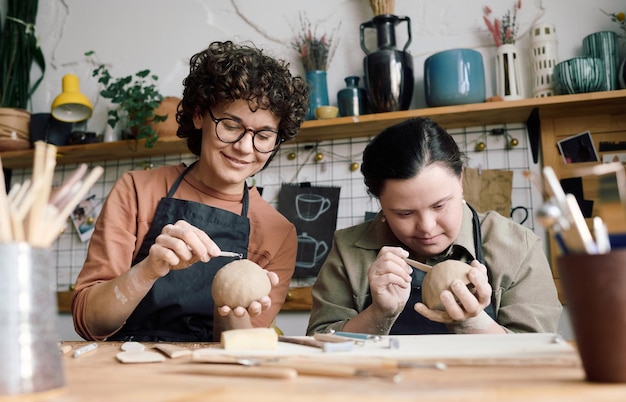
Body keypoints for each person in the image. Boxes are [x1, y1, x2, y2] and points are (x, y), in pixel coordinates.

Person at [72, 40, 309, 342]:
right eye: (231, 125)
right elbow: (90, 324)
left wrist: (233, 310)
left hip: (212, 379)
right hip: (128, 372)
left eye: (263, 135)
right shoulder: (136, 190)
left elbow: (241, 348)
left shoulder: (278, 233)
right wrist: (148, 270)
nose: (244, 147)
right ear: (199, 115)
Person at [307, 117, 562, 336]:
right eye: (404, 213)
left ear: (461, 180)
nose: (427, 227)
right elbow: (317, 345)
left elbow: (540, 354)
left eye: (440, 206)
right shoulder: (348, 249)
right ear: (381, 203)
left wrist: (473, 321)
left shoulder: (517, 247)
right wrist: (378, 314)